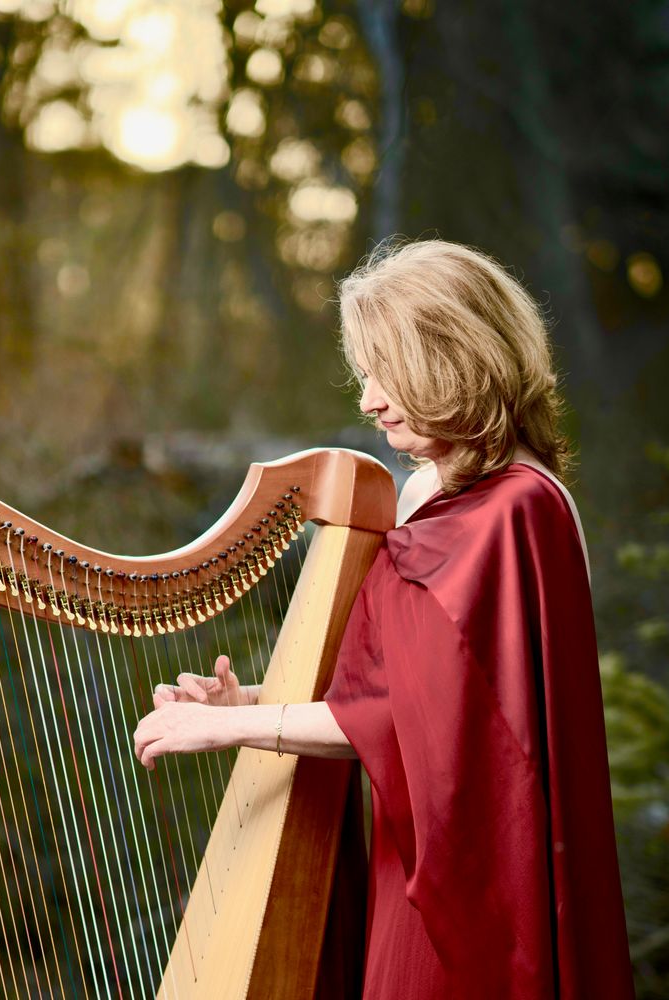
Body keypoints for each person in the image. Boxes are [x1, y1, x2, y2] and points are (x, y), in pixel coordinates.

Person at [133, 239, 634, 999]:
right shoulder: (485, 499)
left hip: (472, 890)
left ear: (453, 359)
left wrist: (225, 731)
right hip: (443, 854)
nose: (367, 399)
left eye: (383, 371)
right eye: (364, 373)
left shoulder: (503, 515)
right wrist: (251, 700)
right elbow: (422, 696)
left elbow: (412, 719)